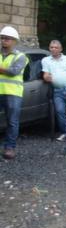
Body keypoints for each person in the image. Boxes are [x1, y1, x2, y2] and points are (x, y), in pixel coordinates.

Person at [40, 40, 66, 141]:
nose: (53, 49)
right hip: (57, 91)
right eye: (51, 47)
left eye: (56, 47)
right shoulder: (46, 60)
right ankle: (65, 133)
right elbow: (45, 74)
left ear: (61, 49)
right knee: (59, 112)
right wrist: (46, 77)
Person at [0, 26, 28, 160]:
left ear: (14, 41)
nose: (4, 41)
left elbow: (13, 72)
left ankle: (9, 147)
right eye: (2, 38)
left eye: (7, 39)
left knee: (12, 122)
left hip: (13, 93)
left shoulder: (21, 56)